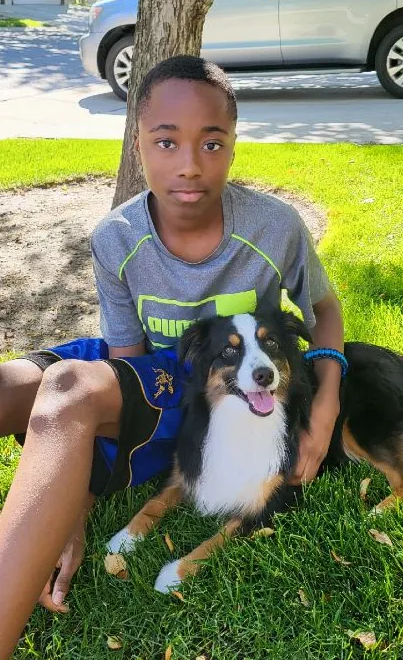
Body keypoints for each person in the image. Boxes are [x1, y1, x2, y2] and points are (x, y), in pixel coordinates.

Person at [0, 55, 343, 657]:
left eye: (212, 143)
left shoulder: (273, 228)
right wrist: (69, 501)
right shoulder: (116, 237)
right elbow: (125, 368)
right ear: (138, 143)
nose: (189, 165)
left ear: (234, 146)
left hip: (223, 378)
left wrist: (323, 410)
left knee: (66, 395)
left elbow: (326, 311)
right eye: (166, 141)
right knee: (13, 389)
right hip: (147, 367)